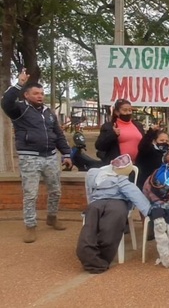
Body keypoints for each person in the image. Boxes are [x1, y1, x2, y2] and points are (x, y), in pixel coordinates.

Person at [1, 69, 72, 243]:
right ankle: (30, 226)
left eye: (42, 93)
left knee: (55, 190)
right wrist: (19, 83)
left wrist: (67, 154)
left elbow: (57, 134)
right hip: (29, 157)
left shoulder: (48, 112)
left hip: (50, 157)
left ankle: (52, 217)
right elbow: (6, 103)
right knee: (30, 194)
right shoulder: (19, 110)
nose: (40, 96)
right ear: (26, 95)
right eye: (36, 93)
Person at [77, 154, 151, 273]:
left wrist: (91, 203)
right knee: (110, 228)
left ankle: (88, 256)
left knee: (89, 229)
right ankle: (100, 260)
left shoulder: (94, 174)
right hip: (116, 203)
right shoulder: (122, 181)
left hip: (96, 203)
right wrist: (150, 213)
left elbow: (89, 192)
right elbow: (136, 196)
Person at [95, 98, 144, 165]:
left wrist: (151, 133)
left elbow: (144, 143)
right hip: (118, 166)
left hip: (137, 165)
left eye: (130, 110)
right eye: (124, 110)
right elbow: (99, 146)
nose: (128, 113)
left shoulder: (138, 125)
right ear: (117, 112)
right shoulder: (109, 126)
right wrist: (113, 134)